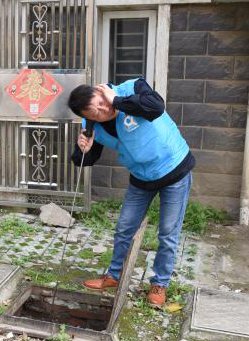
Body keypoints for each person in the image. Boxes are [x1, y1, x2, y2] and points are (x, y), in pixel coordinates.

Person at [67, 78, 194, 306]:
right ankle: (113, 276)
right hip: (141, 177)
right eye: (95, 113)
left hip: (173, 169)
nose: (103, 111)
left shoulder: (131, 88)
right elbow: (85, 159)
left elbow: (156, 106)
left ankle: (160, 284)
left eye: (101, 103)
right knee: (124, 227)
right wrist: (82, 149)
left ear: (100, 92)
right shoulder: (93, 126)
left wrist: (116, 100)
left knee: (167, 233)